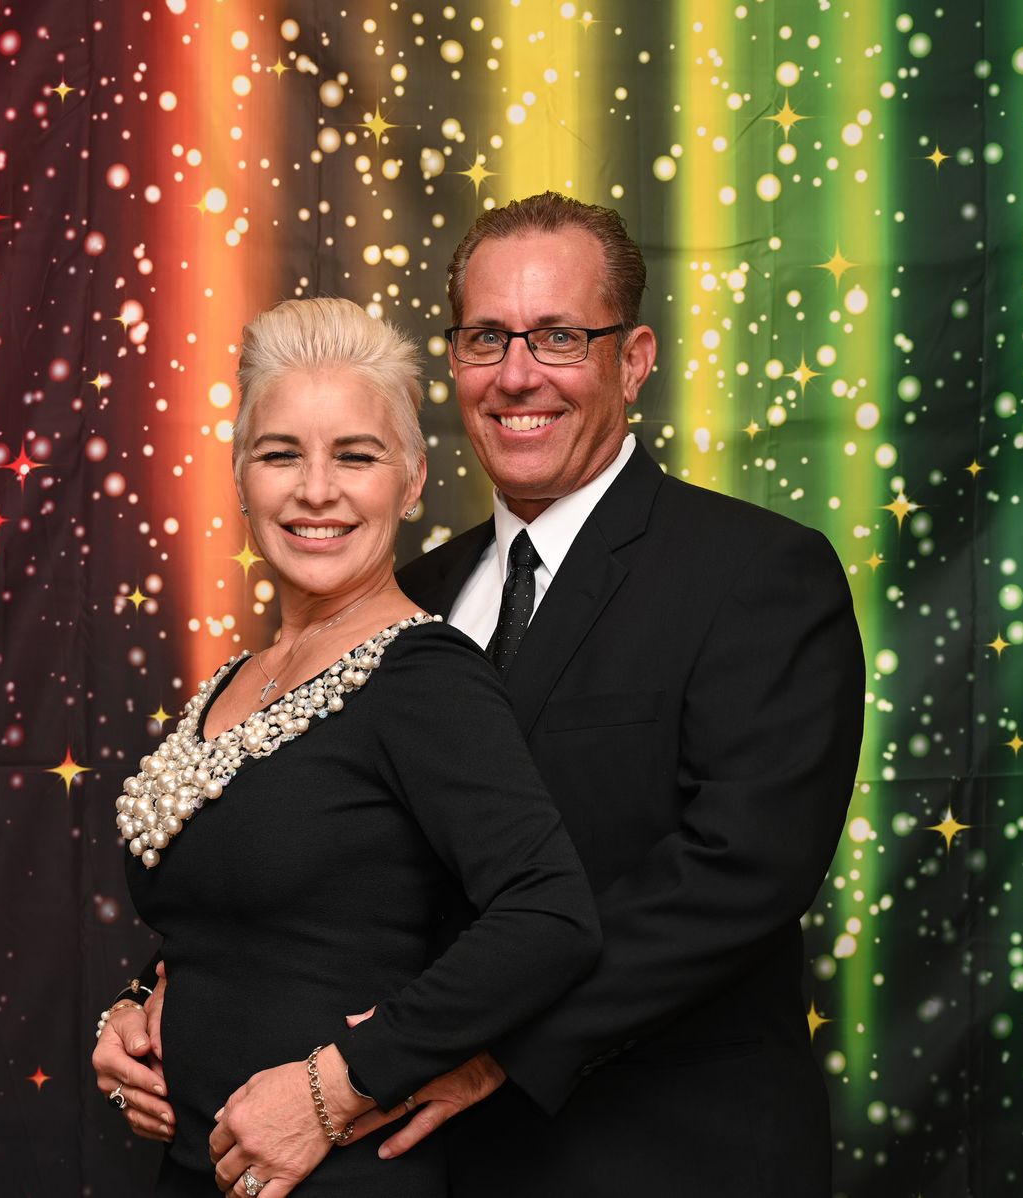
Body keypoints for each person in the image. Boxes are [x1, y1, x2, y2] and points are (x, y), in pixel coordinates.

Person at [369, 192, 867, 1194]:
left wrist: (489, 1043)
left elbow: (740, 871)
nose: (517, 375)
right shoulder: (404, 598)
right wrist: (167, 1003)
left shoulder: (757, 572)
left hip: (669, 1159)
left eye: (560, 336)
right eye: (485, 337)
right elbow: (324, 842)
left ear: (634, 360)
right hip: (425, 1167)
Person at [94, 296, 601, 1197]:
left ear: (411, 481)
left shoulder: (425, 677)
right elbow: (243, 915)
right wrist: (133, 1012)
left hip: (338, 1178)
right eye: (280, 454)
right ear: (240, 476)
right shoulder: (240, 678)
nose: (316, 490)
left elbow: (549, 917)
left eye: (356, 456)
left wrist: (341, 1084)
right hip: (195, 1172)